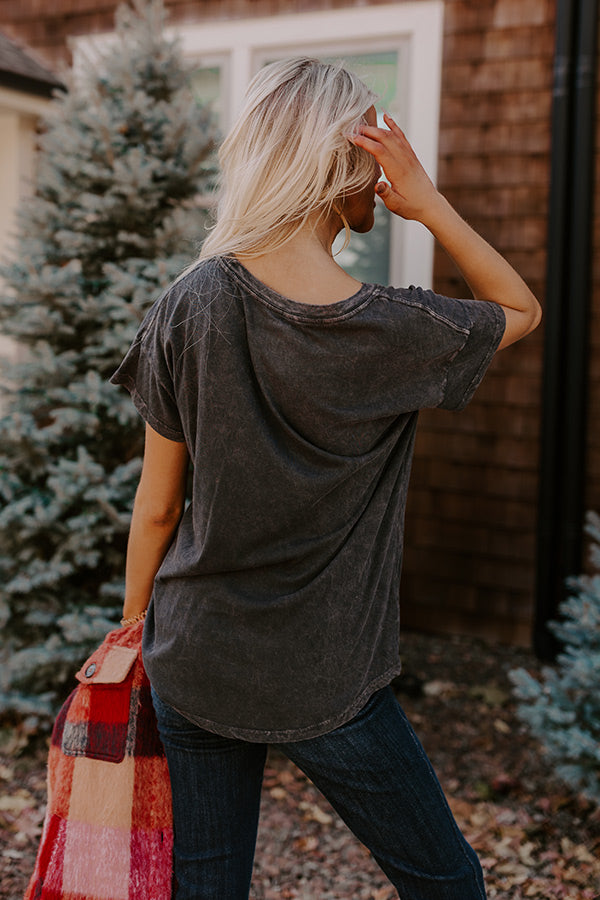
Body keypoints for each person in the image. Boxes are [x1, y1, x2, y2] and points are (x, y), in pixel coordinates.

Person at [111, 57, 541, 900]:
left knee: (204, 885)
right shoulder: (394, 329)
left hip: (193, 656)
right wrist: (427, 201)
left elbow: (156, 505)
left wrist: (133, 633)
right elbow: (520, 309)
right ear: (348, 170)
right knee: (447, 882)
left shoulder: (187, 303)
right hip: (328, 676)